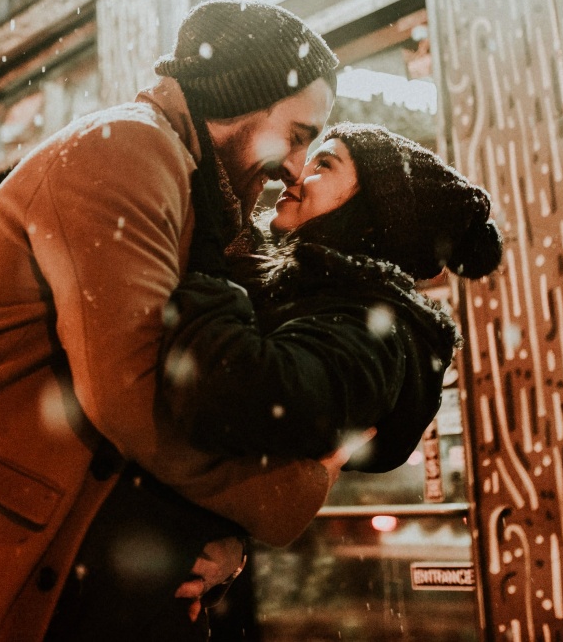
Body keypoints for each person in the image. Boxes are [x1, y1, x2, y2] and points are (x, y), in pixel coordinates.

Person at [0, 0, 342, 642]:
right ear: (242, 99)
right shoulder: (127, 152)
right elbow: (129, 392)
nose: (295, 167)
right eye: (300, 135)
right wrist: (283, 495)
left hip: (36, 545)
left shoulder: (198, 192)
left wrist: (216, 533)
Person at [160, 121, 504, 474]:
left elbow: (236, 398)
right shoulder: (302, 286)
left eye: (323, 164)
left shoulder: (374, 332)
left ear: (370, 217)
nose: (293, 176)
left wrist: (208, 264)